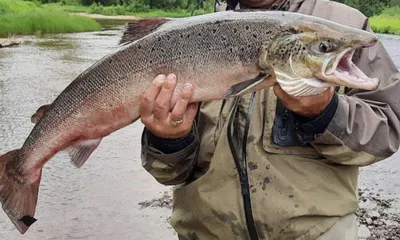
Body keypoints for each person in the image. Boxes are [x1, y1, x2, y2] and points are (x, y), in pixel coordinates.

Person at [139, 0, 400, 239]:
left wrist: (327, 114)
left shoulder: (344, 24)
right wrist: (169, 140)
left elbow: (388, 129)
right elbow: (171, 173)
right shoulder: (195, 33)